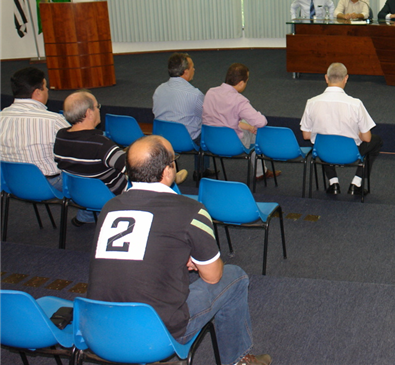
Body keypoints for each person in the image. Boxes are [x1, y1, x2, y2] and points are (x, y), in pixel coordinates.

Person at [87, 135, 271, 365]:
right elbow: (213, 276)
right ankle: (237, 360)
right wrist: (197, 260)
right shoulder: (190, 210)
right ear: (167, 171)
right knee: (235, 276)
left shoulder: (110, 207)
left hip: (98, 326)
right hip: (157, 332)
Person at [300, 62, 383, 196]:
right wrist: (356, 134)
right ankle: (356, 183)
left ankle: (333, 183)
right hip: (350, 153)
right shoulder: (355, 104)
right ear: (346, 78)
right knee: (376, 141)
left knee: (323, 139)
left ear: (326, 78)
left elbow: (306, 135)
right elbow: (366, 138)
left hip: (324, 152)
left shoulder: (311, 102)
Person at [53, 91, 131, 226]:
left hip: (78, 193)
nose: (99, 109)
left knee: (87, 177)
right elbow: (131, 167)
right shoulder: (101, 144)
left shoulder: (60, 136)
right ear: (89, 113)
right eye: (97, 106)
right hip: (109, 195)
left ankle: (86, 214)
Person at [202, 63, 278, 180]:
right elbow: (261, 122)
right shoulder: (239, 100)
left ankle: (261, 170)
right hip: (233, 143)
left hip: (211, 140)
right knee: (258, 131)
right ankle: (261, 171)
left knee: (240, 121)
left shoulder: (210, 92)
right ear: (241, 83)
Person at [0, 67, 69, 188]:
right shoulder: (54, 120)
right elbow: (79, 149)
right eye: (45, 87)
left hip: (10, 181)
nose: (47, 90)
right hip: (48, 183)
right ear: (37, 92)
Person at [152, 53, 209, 178]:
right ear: (185, 72)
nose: (194, 69)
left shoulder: (159, 89)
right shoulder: (194, 94)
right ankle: (201, 171)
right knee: (204, 131)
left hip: (163, 136)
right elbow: (206, 115)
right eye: (192, 67)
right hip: (186, 140)